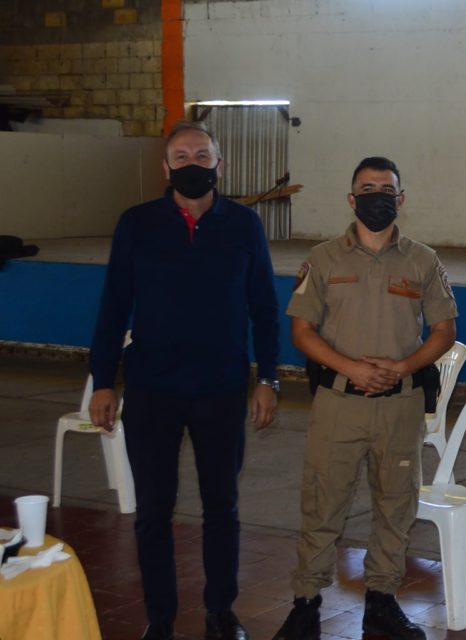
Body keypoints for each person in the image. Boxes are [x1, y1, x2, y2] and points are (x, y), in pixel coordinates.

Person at [89, 120, 279, 640]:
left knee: (223, 507)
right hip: (152, 391)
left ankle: (221, 611)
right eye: (182, 155)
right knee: (153, 510)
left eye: (202, 155)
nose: (192, 164)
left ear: (220, 165)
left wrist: (269, 380)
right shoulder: (137, 223)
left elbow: (264, 309)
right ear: (165, 166)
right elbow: (112, 308)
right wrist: (103, 381)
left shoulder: (243, 226)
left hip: (221, 389)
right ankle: (161, 618)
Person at [271, 157, 458, 640]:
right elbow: (301, 330)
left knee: (395, 507)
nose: (378, 196)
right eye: (367, 188)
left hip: (401, 404)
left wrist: (403, 366)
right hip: (339, 403)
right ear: (352, 199)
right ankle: (306, 604)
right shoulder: (325, 258)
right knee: (322, 504)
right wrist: (350, 366)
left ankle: (381, 601)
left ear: (401, 199)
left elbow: (443, 330)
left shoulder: (423, 260)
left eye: (387, 189)